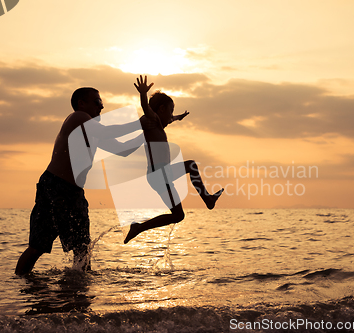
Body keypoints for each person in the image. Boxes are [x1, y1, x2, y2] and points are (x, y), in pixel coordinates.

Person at [15, 87, 148, 275]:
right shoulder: (77, 117)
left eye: (101, 102)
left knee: (76, 248)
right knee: (48, 246)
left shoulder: (91, 131)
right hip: (57, 187)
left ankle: (73, 292)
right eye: (97, 101)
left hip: (69, 191)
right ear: (81, 103)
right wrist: (140, 123)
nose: (101, 106)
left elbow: (123, 150)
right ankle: (28, 287)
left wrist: (147, 133)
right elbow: (108, 133)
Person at [124, 76, 224, 244]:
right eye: (170, 111)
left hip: (161, 175)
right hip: (159, 174)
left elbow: (170, 119)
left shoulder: (160, 123)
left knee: (178, 215)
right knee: (191, 165)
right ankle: (208, 199)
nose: (171, 116)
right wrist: (143, 94)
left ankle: (138, 228)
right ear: (161, 109)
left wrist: (179, 116)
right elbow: (146, 108)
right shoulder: (153, 120)